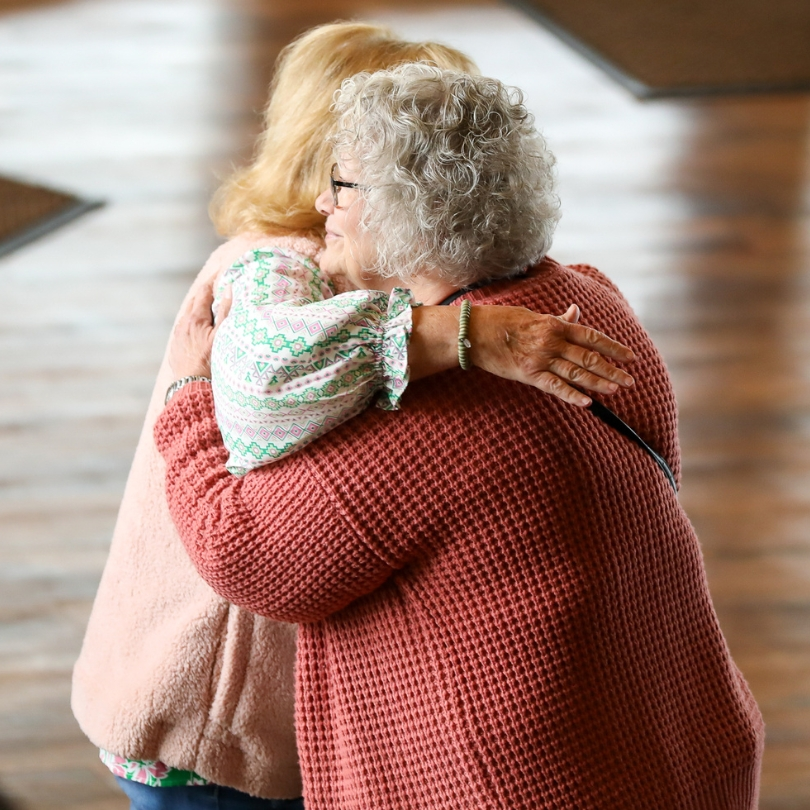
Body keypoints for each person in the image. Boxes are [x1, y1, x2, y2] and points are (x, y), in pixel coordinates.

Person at [159, 64, 764, 809]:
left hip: (535, 789)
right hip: (689, 746)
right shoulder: (591, 299)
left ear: (406, 210)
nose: (322, 203)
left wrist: (190, 401)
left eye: (342, 185)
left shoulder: (420, 418)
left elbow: (247, 555)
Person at [71, 22, 634, 809]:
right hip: (211, 719)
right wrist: (456, 332)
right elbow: (267, 374)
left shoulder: (365, 264)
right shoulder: (269, 267)